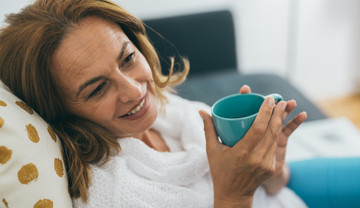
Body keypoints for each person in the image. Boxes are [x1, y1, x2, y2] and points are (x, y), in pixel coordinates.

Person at [0, 0, 310, 207]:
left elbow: (274, 188)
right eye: (97, 89)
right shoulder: (112, 196)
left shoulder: (170, 114)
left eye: (128, 58)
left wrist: (272, 168)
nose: (135, 91)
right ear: (60, 111)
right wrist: (235, 194)